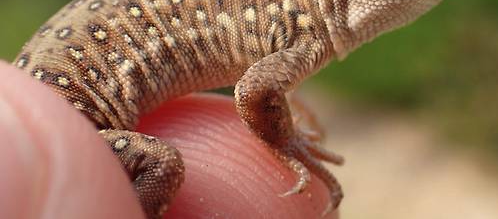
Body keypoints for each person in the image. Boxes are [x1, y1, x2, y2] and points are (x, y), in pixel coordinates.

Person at [0, 61, 337, 219]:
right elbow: (256, 91)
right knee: (162, 164)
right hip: (70, 135)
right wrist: (285, 140)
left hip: (54, 126)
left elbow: (261, 84)